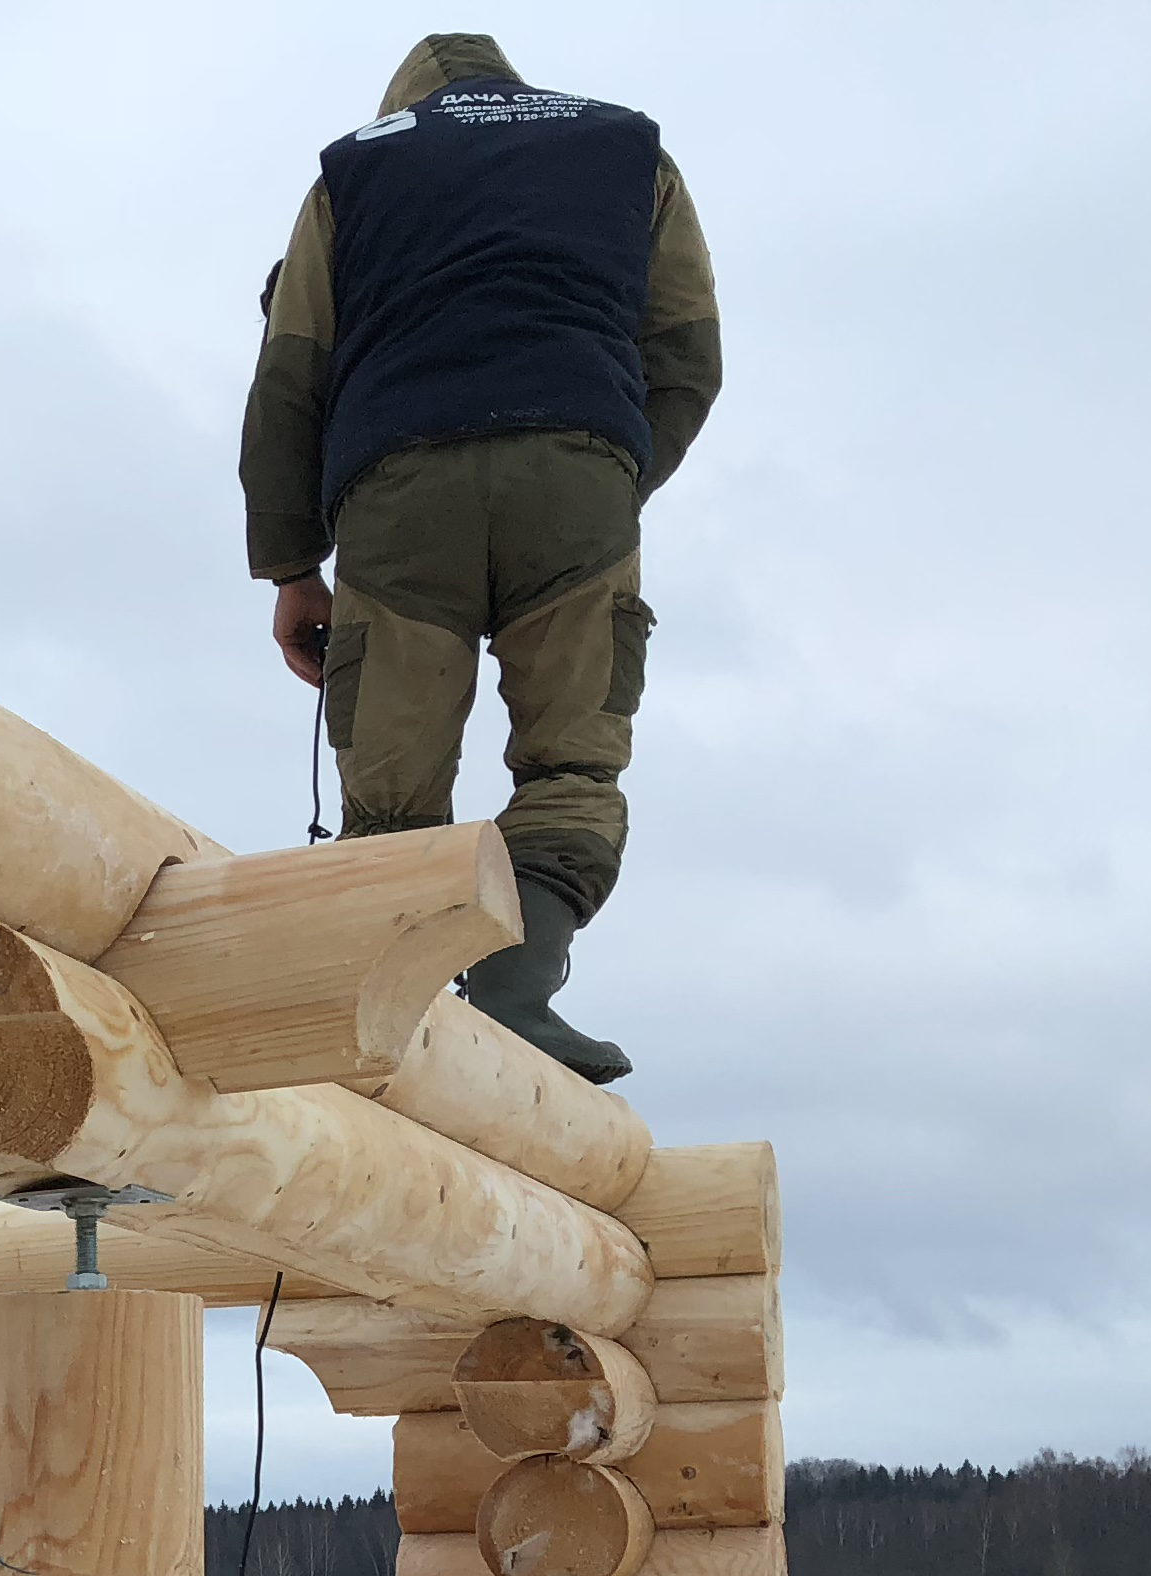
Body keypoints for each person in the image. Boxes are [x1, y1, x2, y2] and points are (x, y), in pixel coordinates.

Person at [242, 34, 723, 1083]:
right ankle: (516, 993)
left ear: (408, 99)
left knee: (393, 793)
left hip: (397, 488)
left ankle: (389, 1032)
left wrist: (291, 566)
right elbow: (688, 356)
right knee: (570, 763)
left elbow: (289, 377)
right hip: (580, 471)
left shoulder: (356, 168)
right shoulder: (629, 149)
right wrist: (605, 481)